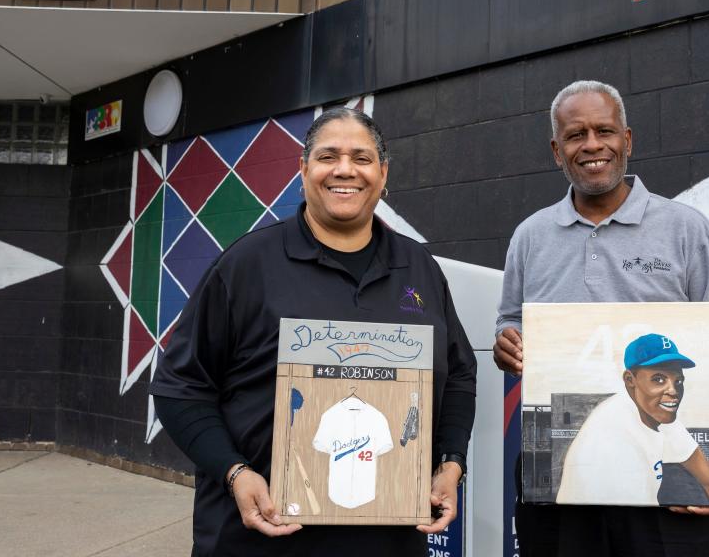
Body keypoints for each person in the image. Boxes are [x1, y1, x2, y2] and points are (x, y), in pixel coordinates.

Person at [151, 108, 477, 556]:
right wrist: (234, 473)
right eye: (328, 156)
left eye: (361, 158)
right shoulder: (247, 265)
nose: (345, 169)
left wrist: (450, 462)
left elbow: (459, 374)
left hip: (387, 541)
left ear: (383, 174)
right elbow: (178, 386)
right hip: (260, 538)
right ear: (303, 170)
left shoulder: (419, 268)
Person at [493, 80, 709, 557]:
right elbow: (510, 321)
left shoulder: (687, 230)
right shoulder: (530, 236)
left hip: (666, 493)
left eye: (604, 130)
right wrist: (508, 342)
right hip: (559, 475)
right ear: (556, 150)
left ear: (627, 140)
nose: (591, 145)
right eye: (575, 134)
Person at [555, 333, 709, 508]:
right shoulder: (611, 441)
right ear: (630, 380)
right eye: (659, 379)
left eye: (678, 381)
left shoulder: (653, 408)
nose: (673, 391)